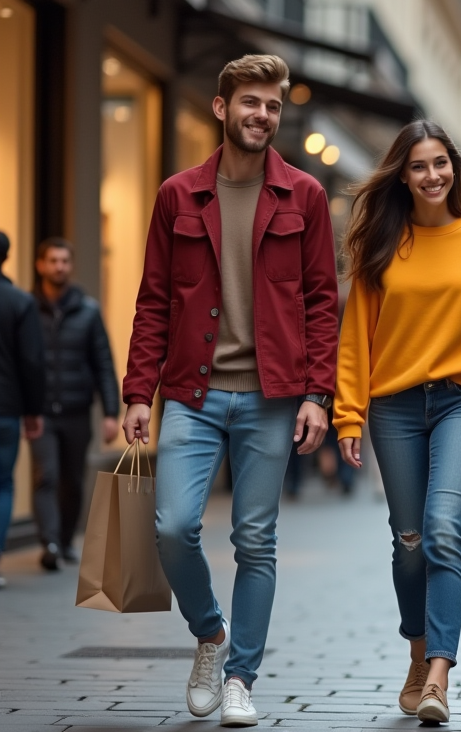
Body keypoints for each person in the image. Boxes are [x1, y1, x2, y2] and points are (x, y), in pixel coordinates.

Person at [122, 54, 339, 728]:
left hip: (273, 398)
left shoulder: (304, 196)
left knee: (256, 539)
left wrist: (316, 394)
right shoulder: (177, 195)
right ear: (222, 108)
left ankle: (241, 676)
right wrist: (137, 391)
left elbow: (322, 302)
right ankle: (211, 634)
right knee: (174, 527)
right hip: (192, 392)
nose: (263, 115)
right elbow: (154, 299)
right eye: (251, 103)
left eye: (273, 106)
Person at [334, 120, 461, 724]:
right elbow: (355, 337)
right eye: (418, 166)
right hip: (395, 406)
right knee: (408, 542)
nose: (431, 175)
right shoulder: (382, 244)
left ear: (454, 168)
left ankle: (438, 672)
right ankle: (416, 652)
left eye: (440, 163)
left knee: (441, 528)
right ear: (402, 177)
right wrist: (348, 415)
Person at [28, 237, 120, 571]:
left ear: (71, 266)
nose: (59, 267)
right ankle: (49, 543)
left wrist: (112, 412)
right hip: (40, 413)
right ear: (40, 265)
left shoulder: (89, 310)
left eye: (64, 261)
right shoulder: (28, 308)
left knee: (73, 480)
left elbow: (103, 364)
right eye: (52, 261)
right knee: (46, 476)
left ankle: (65, 539)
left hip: (78, 410)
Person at [0, 231, 46, 588]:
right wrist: (34, 411)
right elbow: (31, 361)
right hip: (6, 408)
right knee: (2, 485)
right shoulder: (18, 302)